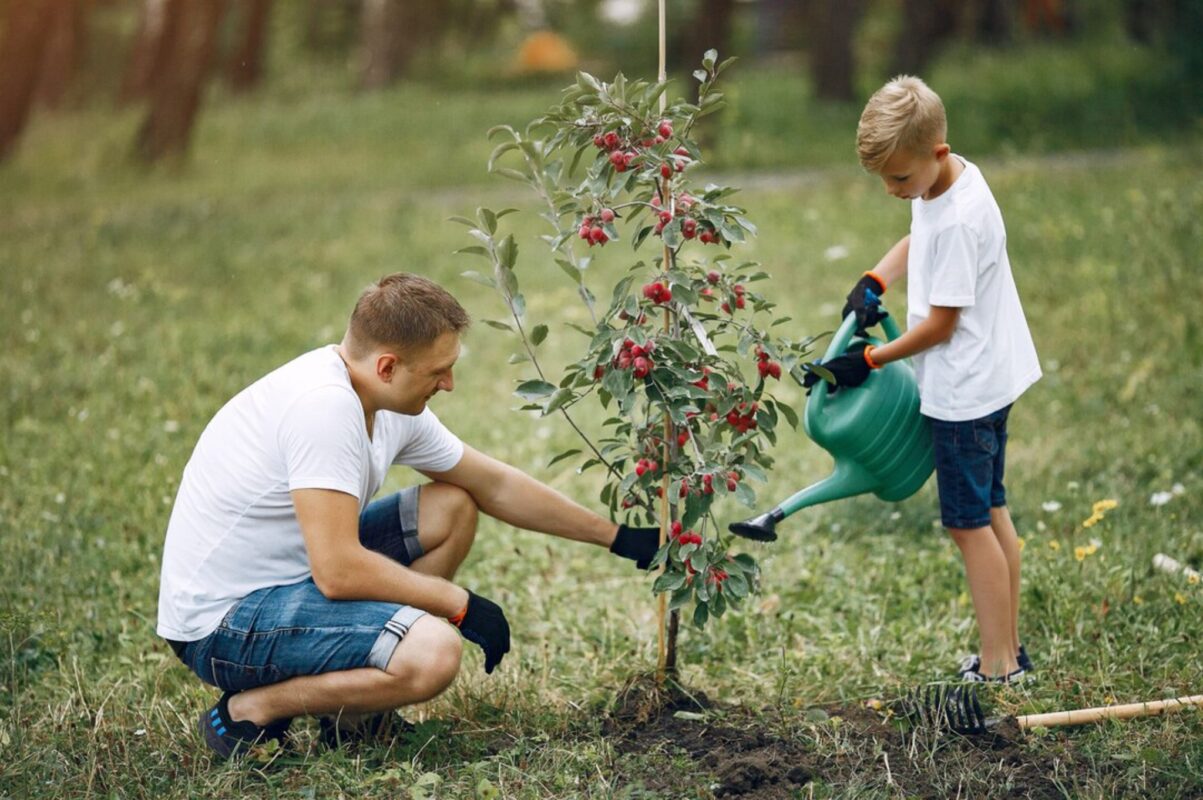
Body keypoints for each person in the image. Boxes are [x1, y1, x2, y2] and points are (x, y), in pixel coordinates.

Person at [156, 272, 660, 758]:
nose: (450, 384)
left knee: (453, 506)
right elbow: (337, 571)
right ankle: (252, 710)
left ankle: (352, 718)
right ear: (387, 367)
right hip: (223, 623)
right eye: (438, 371)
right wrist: (458, 603)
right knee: (433, 653)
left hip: (289, 582)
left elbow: (494, 484)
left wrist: (618, 538)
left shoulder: (386, 402)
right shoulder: (324, 409)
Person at [803, 76, 1041, 683]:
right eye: (884, 181)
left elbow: (940, 326)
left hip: (963, 392)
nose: (892, 191)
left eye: (900, 180)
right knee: (991, 510)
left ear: (935, 153)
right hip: (990, 375)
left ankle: (996, 666)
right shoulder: (951, 178)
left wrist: (870, 361)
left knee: (968, 525)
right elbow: (919, 232)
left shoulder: (961, 220)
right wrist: (875, 279)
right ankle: (1010, 651)